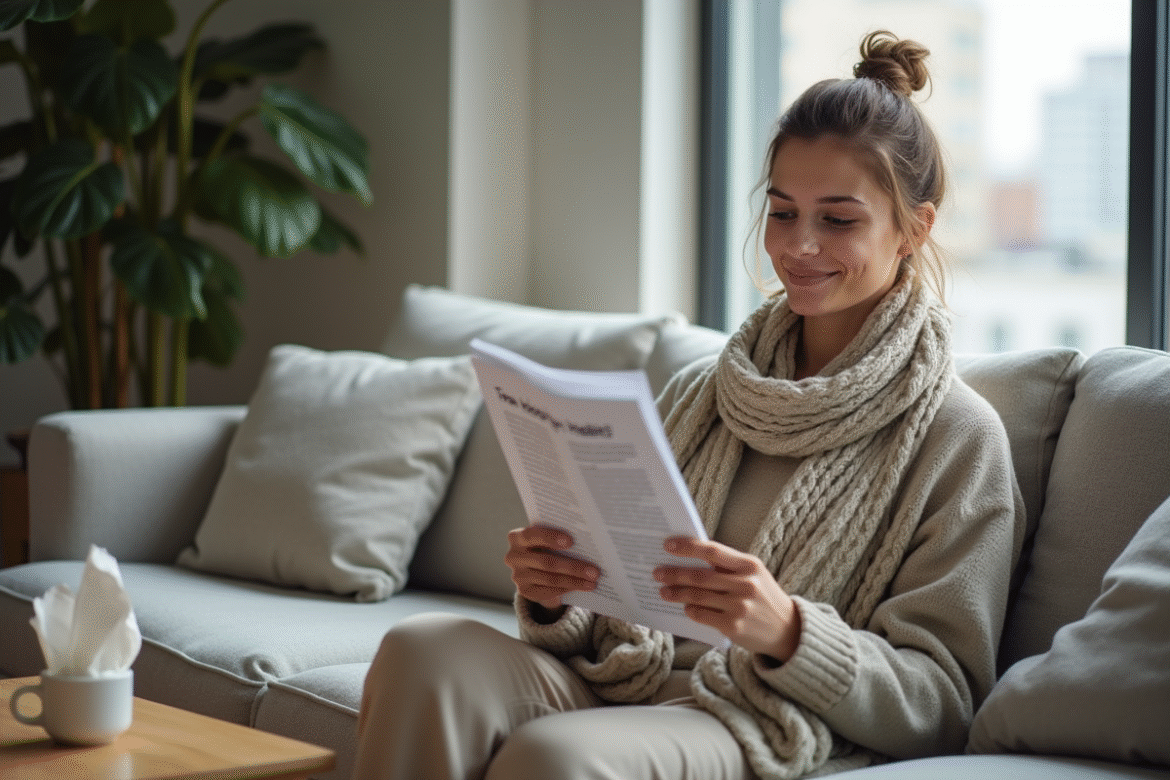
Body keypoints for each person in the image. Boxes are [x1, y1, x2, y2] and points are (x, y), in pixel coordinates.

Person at [352, 30, 1023, 780]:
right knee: (424, 651)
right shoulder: (705, 392)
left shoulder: (960, 438)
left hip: (763, 716)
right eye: (780, 212)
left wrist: (789, 632)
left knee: (553, 755)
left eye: (838, 220)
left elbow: (945, 702)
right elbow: (615, 612)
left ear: (914, 229)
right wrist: (557, 595)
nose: (799, 246)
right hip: (629, 680)